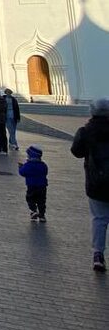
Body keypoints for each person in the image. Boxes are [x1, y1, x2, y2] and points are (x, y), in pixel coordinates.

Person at [70, 99, 109, 272]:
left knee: (99, 219)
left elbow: (76, 152)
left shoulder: (86, 131)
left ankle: (98, 254)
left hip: (96, 182)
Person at [18, 145, 48, 223]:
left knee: (30, 198)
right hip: (42, 186)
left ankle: (33, 210)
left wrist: (20, 167)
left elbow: (22, 172)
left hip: (31, 186)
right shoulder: (43, 165)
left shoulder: (28, 165)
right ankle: (42, 215)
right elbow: (46, 172)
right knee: (41, 200)